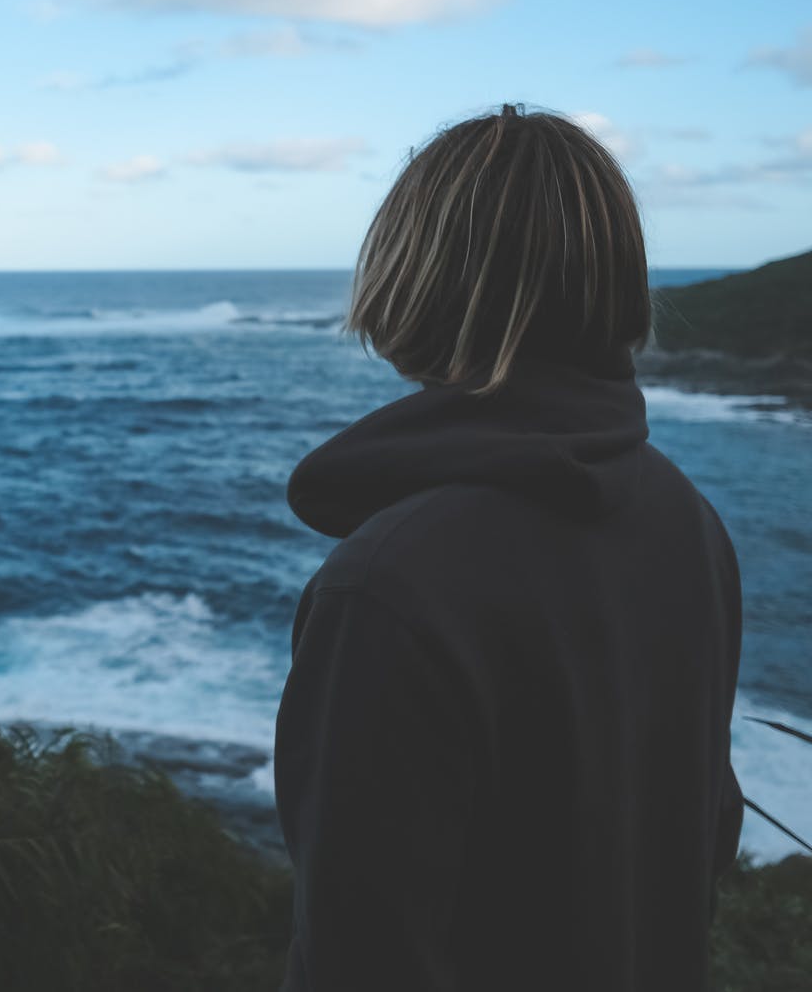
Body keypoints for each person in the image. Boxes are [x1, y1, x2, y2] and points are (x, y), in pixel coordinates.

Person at [273, 104, 744, 991]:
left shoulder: (390, 584)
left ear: (416, 279)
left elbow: (356, 955)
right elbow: (703, 836)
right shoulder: (689, 522)